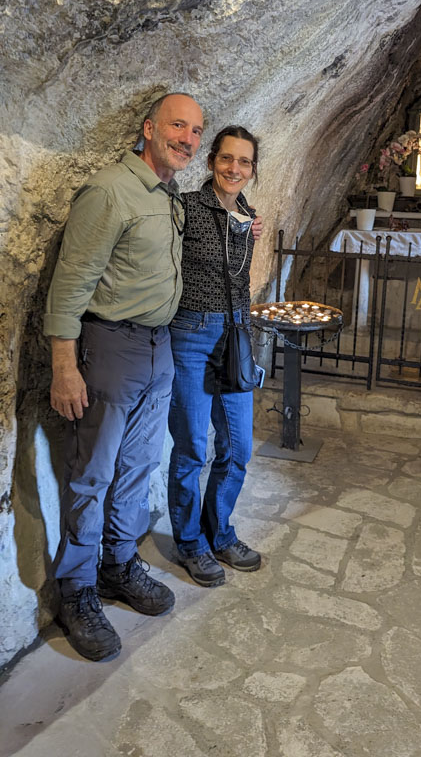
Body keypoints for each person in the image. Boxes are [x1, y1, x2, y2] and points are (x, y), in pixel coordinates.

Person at [44, 92, 204, 661]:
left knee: (137, 468)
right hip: (110, 345)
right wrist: (65, 366)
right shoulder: (110, 190)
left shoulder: (168, 196)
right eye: (177, 125)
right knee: (93, 474)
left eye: (195, 130)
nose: (187, 138)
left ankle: (117, 565)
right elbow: (71, 282)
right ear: (148, 127)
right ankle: (77, 590)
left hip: (159, 348)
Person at [167, 126, 261, 587]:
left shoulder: (249, 216)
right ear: (210, 163)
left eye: (244, 162)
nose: (234, 169)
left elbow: (238, 279)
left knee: (239, 448)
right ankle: (189, 542)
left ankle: (218, 531)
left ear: (252, 169)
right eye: (227, 159)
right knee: (190, 446)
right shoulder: (185, 208)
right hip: (190, 333)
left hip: (235, 337)